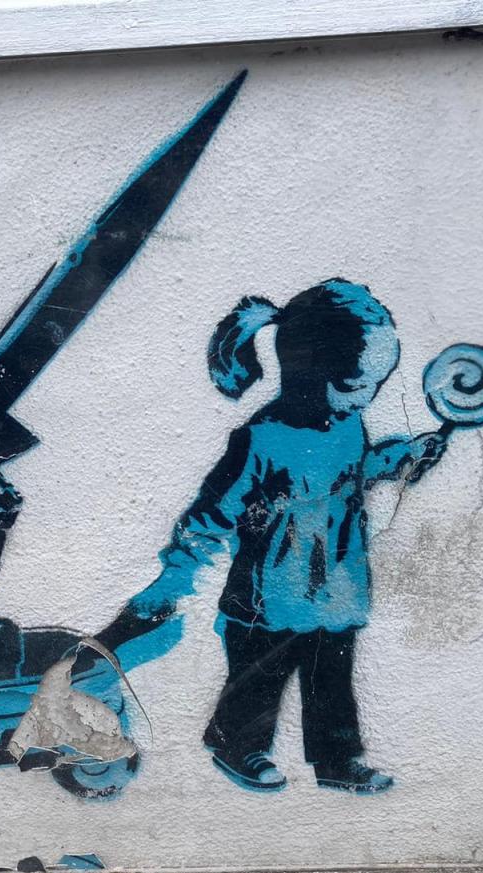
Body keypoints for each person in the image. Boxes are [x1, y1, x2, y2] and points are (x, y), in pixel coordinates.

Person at [94, 279, 447, 794]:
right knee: (258, 679)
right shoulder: (261, 439)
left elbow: (349, 478)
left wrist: (400, 458)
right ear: (309, 369)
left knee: (332, 684)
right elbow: (210, 513)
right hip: (268, 598)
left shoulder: (348, 426)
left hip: (336, 590)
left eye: (376, 385)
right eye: (356, 385)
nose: (365, 399)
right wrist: (174, 578)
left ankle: (338, 761)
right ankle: (235, 745)